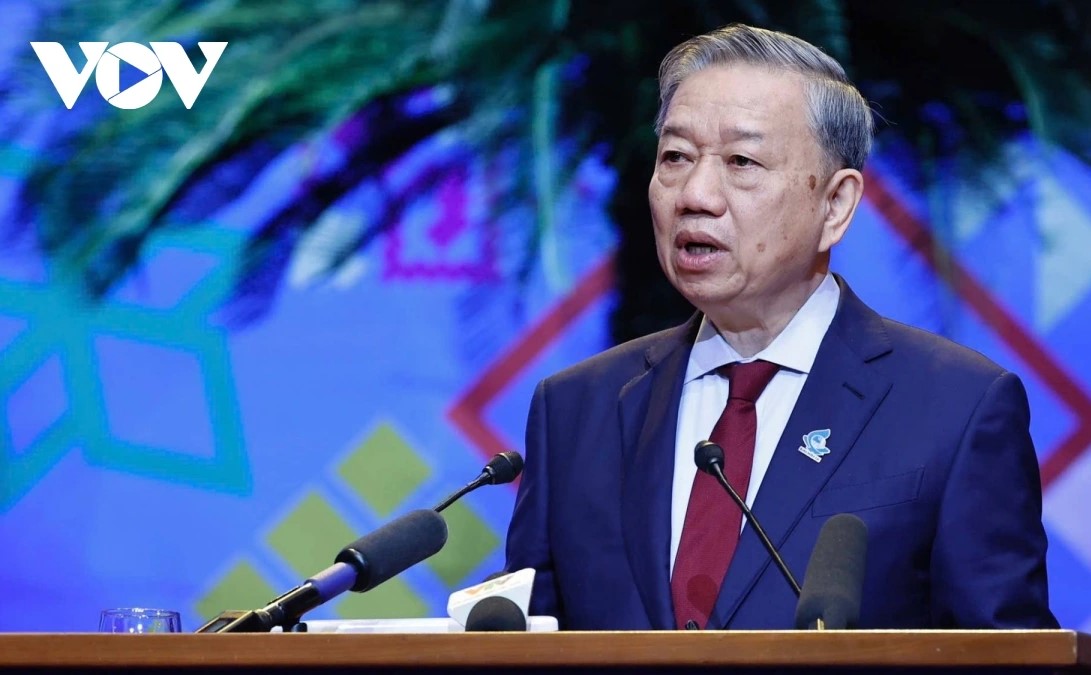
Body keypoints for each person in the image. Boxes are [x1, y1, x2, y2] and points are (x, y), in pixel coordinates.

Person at [503, 23, 1057, 631]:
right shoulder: (574, 410)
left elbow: (1006, 654)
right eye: (675, 157)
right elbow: (527, 645)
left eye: (742, 161)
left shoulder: (957, 407)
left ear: (835, 205)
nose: (695, 194)